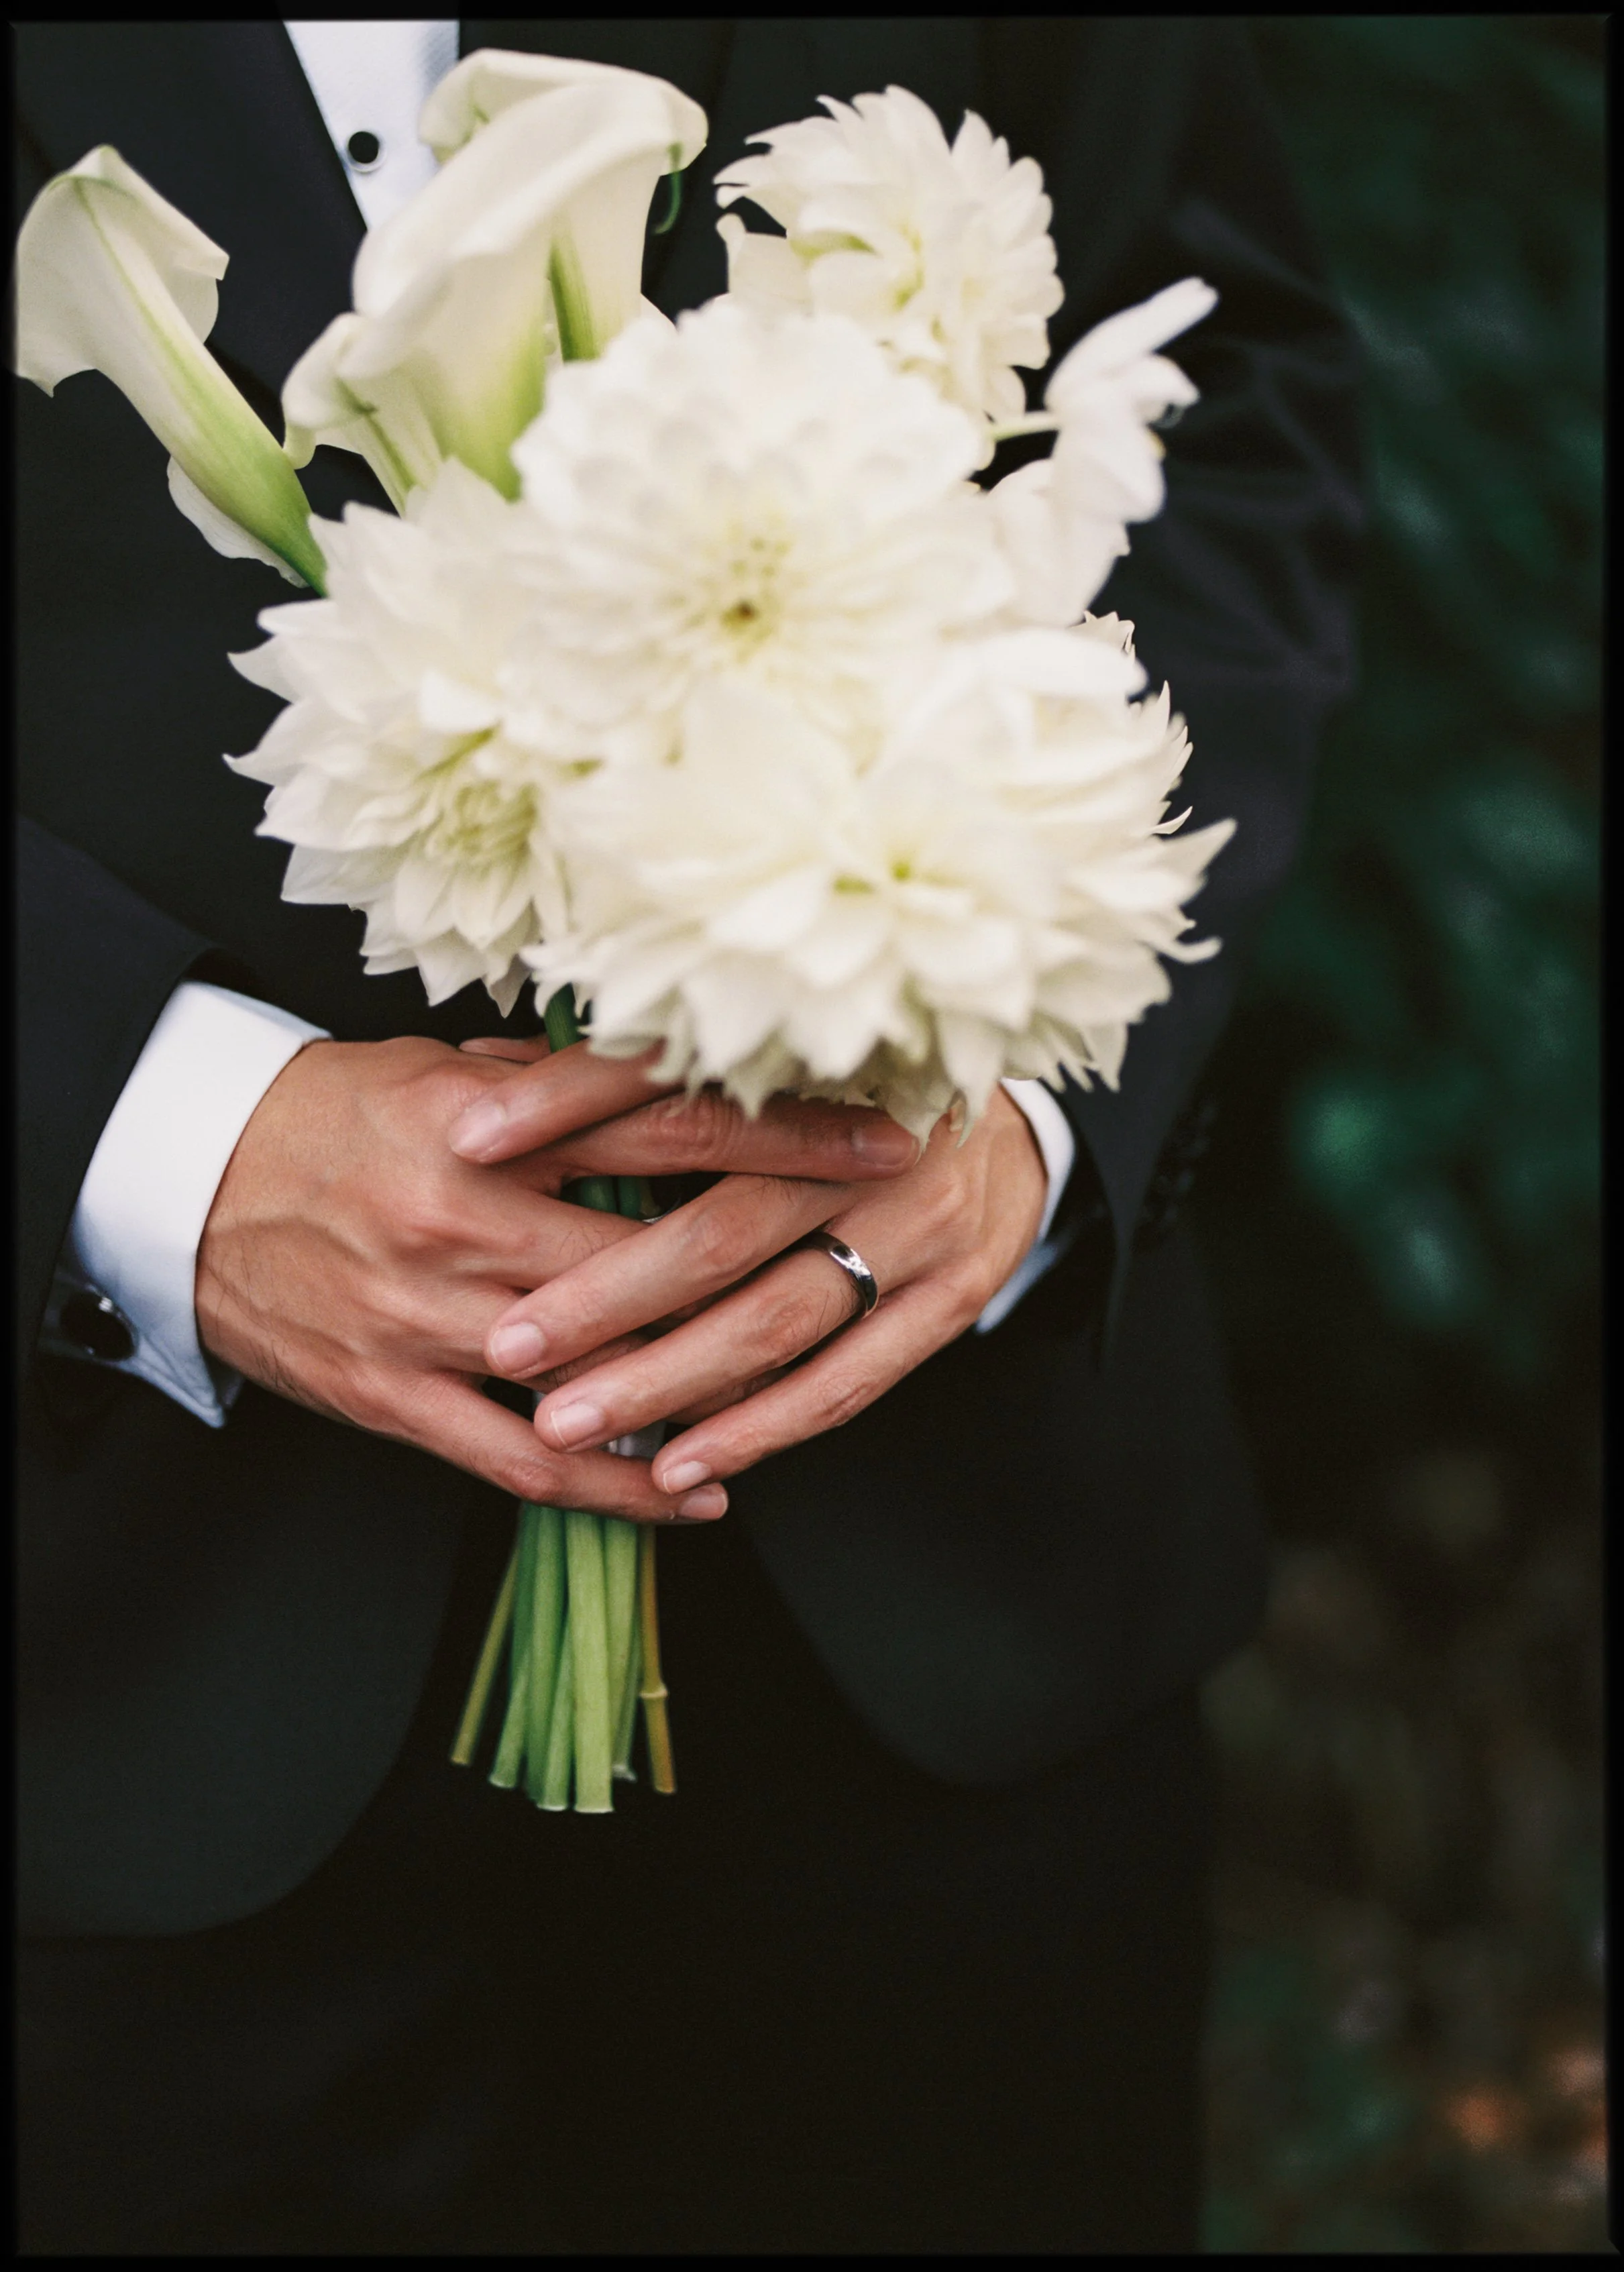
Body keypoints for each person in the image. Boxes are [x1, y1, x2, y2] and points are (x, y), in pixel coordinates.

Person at [15, 18, 1362, 2252]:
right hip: (100, 1692)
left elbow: (1213, 386)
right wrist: (146, 1135)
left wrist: (1012, 1057)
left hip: (943, 1669)